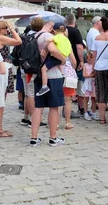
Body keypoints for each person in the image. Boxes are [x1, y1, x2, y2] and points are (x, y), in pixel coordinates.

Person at [30, 19, 67, 147]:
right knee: (54, 107)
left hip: (39, 75)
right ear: (51, 27)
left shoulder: (35, 36)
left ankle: (34, 138)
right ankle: (53, 137)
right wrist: (63, 59)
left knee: (38, 107)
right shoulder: (48, 36)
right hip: (53, 75)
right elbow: (53, 50)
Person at [0, 20, 22, 138]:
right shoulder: (0, 38)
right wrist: (12, 29)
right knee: (0, 101)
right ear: (1, 29)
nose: (6, 30)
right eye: (5, 28)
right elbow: (18, 41)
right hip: (2, 71)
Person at [90, 17, 108, 125]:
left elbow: (93, 55)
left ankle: (102, 118)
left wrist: (93, 68)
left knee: (101, 92)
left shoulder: (97, 38)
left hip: (100, 66)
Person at [36, 23, 73, 97]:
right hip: (64, 56)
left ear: (54, 31)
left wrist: (44, 48)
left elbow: (48, 40)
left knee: (43, 69)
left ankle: (44, 86)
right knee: (59, 65)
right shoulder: (67, 39)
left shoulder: (57, 37)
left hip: (56, 57)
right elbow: (70, 49)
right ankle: (62, 75)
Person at [65, 14, 86, 118]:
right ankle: (81, 108)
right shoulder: (75, 31)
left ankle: (65, 108)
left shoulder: (63, 31)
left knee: (65, 86)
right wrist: (81, 61)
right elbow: (79, 48)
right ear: (74, 21)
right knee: (78, 85)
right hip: (74, 62)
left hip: (63, 62)